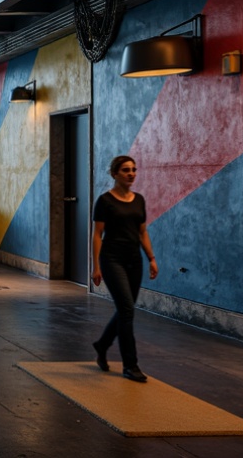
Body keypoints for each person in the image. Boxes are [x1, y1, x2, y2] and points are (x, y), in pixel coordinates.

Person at [91, 154, 158, 383]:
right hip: (112, 260)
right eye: (126, 170)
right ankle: (130, 365)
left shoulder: (139, 199)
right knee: (127, 310)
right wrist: (96, 265)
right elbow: (97, 235)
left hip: (134, 261)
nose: (131, 174)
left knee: (125, 310)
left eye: (134, 170)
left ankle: (102, 345)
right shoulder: (105, 201)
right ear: (115, 174)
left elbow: (142, 232)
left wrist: (151, 257)